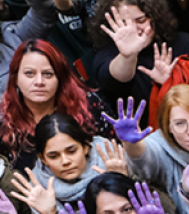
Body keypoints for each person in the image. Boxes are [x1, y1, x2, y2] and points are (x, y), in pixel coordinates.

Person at [90, 0, 189, 131]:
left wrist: (169, 86)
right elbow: (114, 80)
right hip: (145, 138)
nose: (134, 29)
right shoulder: (106, 54)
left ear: (154, 18)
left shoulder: (183, 42)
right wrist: (128, 55)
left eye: (141, 20)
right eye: (125, 23)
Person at [9, 112, 124, 214]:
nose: (65, 161)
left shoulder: (111, 159)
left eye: (71, 151)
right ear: (43, 159)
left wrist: (120, 182)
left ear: (86, 147)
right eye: (54, 156)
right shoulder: (38, 190)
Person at [0, 38, 111, 173]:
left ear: (60, 78)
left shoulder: (87, 105)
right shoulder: (4, 120)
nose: (39, 82)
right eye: (29, 74)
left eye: (48, 74)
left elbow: (116, 153)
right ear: (16, 78)